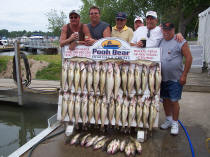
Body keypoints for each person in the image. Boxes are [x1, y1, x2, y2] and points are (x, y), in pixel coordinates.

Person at [159, 22, 192, 135]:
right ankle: (168, 119)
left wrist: (184, 75)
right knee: (165, 100)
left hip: (175, 78)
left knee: (174, 101)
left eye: (169, 30)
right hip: (162, 78)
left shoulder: (180, 41)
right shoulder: (161, 41)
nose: (166, 32)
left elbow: (189, 58)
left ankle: (175, 122)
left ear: (173, 30)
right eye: (165, 29)